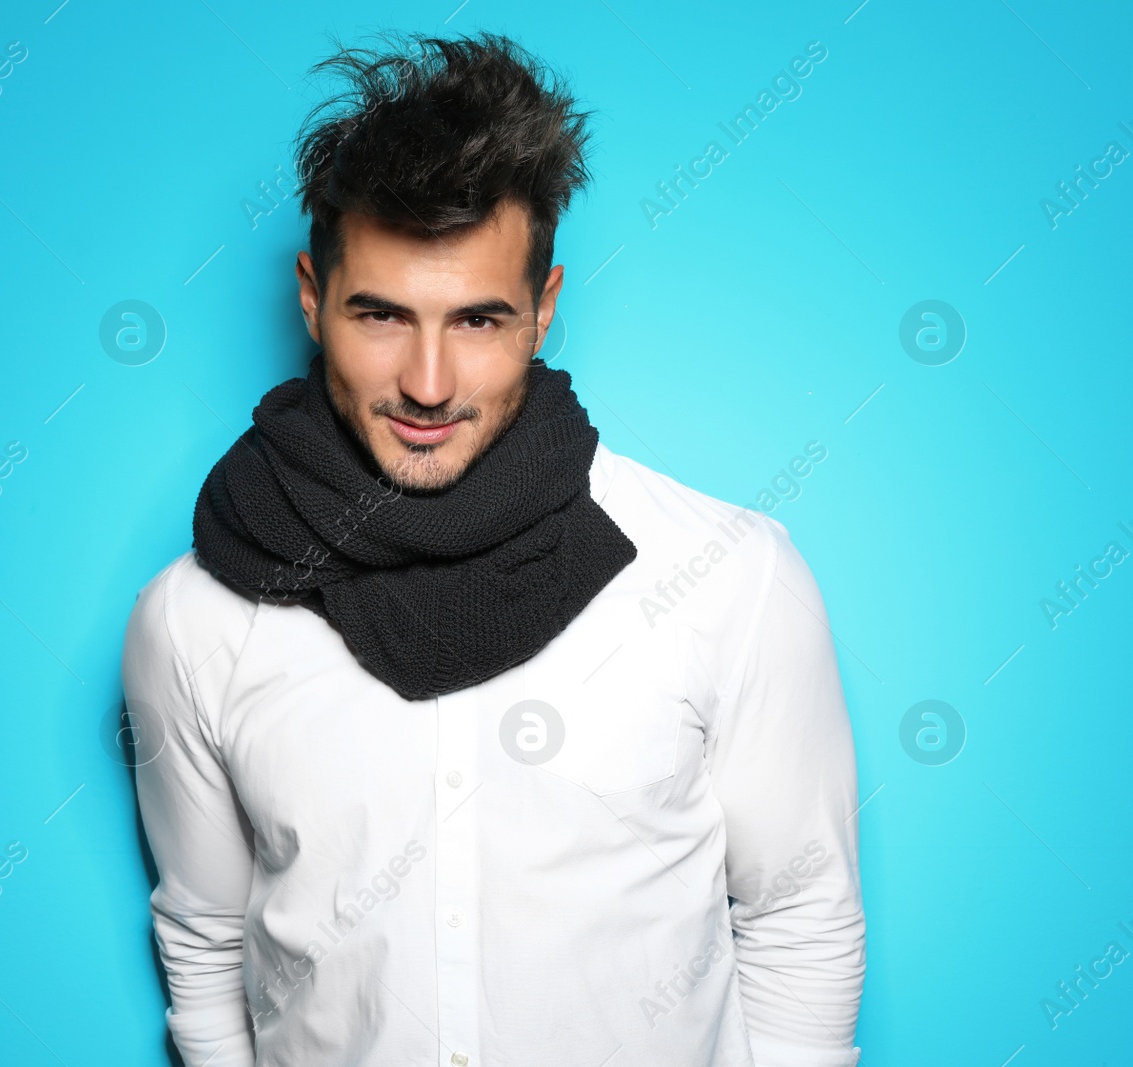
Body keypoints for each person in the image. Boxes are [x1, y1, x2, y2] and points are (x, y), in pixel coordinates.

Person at [121, 30, 864, 1067]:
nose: (427, 382)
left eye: (477, 319)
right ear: (310, 295)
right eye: (381, 314)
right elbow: (207, 937)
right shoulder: (197, 619)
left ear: (544, 309)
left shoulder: (727, 578)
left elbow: (798, 915)